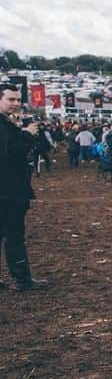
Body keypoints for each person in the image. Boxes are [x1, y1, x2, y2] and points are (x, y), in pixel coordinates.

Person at [0, 83, 48, 291]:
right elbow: (8, 154)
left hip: (9, 188)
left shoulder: (7, 124)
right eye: (11, 99)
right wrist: (26, 134)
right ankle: (22, 279)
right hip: (9, 190)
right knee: (14, 235)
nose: (16, 104)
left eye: (18, 100)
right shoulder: (3, 126)